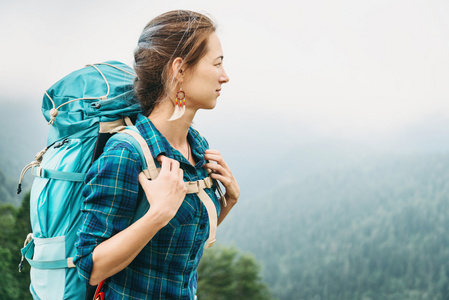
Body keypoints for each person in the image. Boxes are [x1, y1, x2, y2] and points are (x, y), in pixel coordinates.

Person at [74, 10, 240, 299]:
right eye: (216, 64)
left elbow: (177, 249)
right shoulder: (127, 154)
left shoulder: (196, 146)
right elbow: (91, 267)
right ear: (180, 70)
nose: (225, 77)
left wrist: (228, 202)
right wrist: (158, 214)